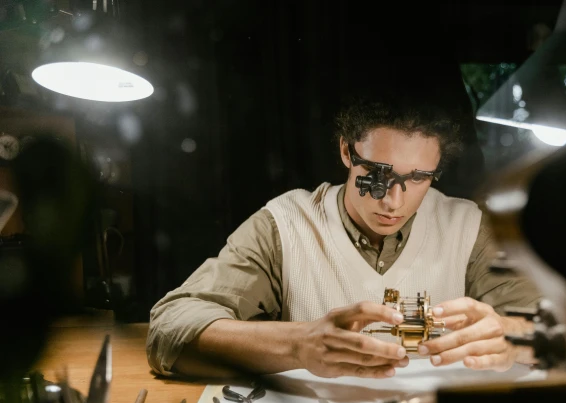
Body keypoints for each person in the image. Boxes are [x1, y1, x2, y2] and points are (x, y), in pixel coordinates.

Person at [146, 70, 542, 379]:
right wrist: (299, 345)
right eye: (378, 173)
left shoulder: (468, 229)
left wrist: (510, 335)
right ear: (345, 151)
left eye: (419, 178)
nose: (394, 200)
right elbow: (169, 329)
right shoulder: (285, 225)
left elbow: (562, 333)